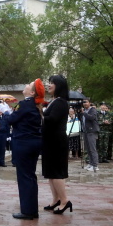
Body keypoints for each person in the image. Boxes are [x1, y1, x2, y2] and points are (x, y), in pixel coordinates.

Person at [9, 79, 44, 219]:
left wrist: (7, 113)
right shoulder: (34, 105)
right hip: (33, 143)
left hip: (23, 144)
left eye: (28, 85)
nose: (25, 86)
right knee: (30, 176)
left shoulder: (25, 104)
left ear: (32, 92)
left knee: (24, 177)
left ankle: (28, 211)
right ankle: (32, 209)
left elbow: (11, 120)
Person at [43, 75, 72, 215]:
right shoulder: (53, 101)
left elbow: (52, 119)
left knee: (57, 173)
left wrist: (40, 115)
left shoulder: (61, 102)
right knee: (50, 173)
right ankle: (56, 199)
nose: (48, 85)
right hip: (50, 140)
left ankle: (65, 200)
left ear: (59, 86)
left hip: (57, 141)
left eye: (51, 83)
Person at [81, 99, 100, 172]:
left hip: (92, 131)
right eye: (83, 102)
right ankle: (91, 163)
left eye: (86, 102)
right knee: (88, 149)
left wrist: (84, 113)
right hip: (86, 131)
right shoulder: (84, 111)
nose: (84, 104)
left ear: (89, 103)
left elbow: (91, 117)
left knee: (92, 148)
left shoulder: (92, 109)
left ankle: (95, 165)